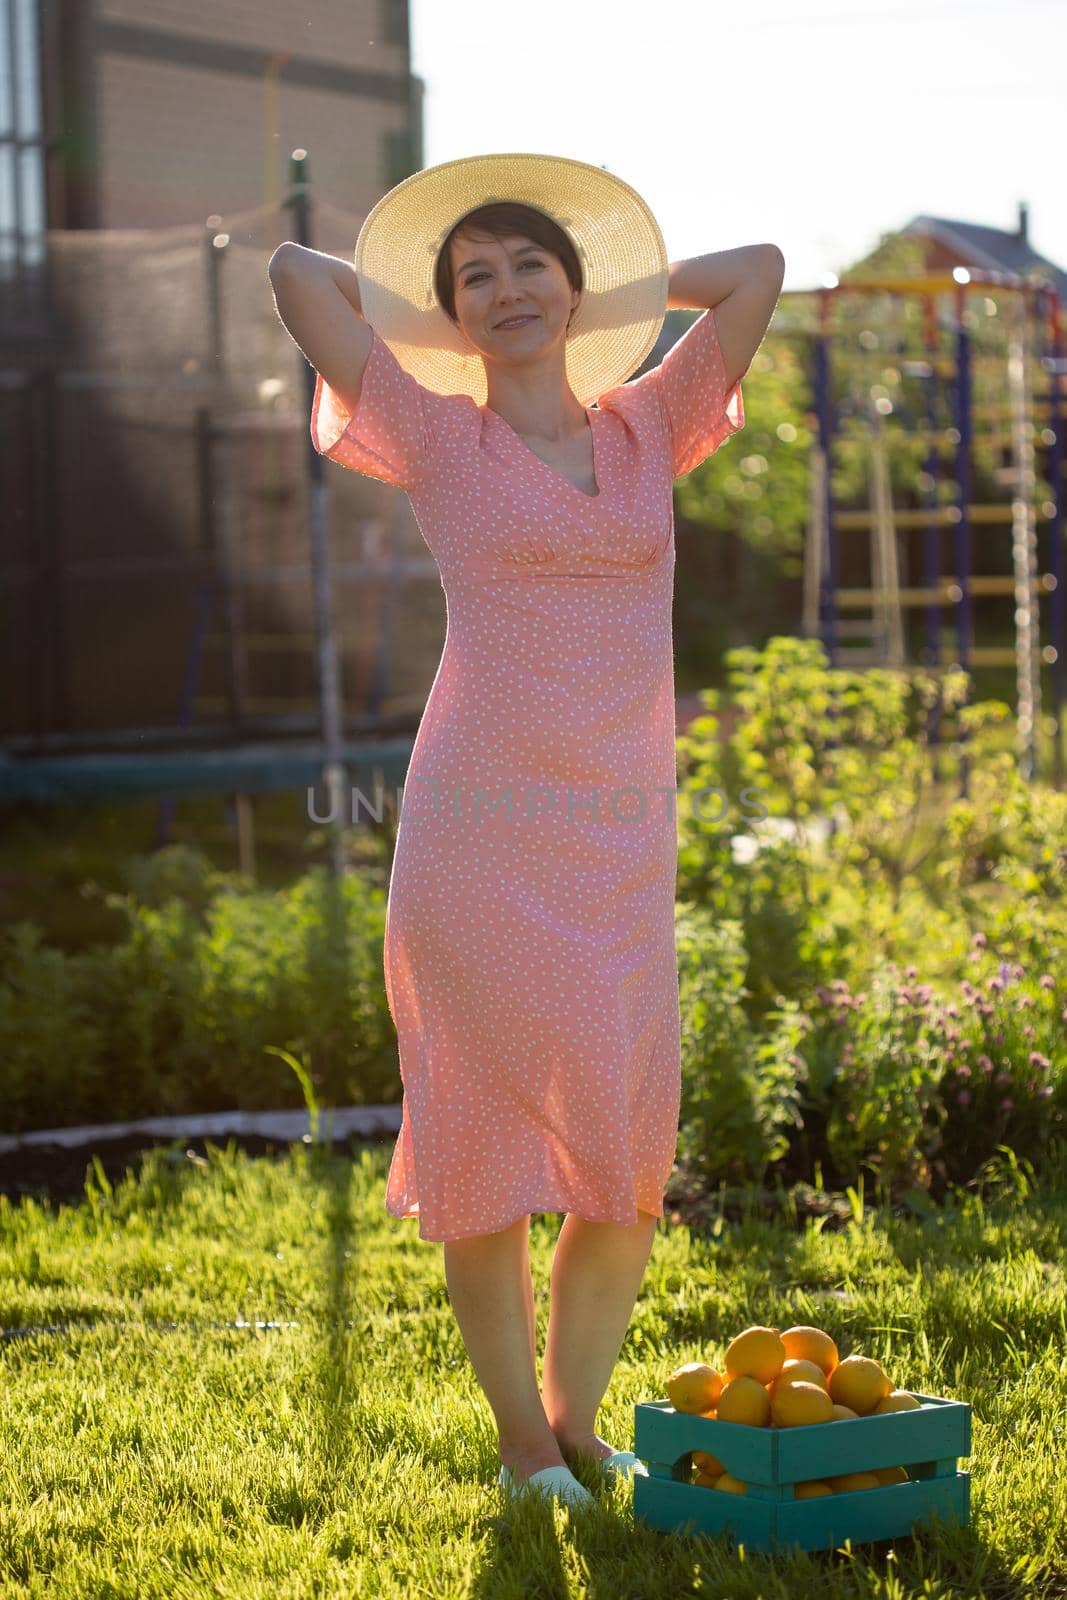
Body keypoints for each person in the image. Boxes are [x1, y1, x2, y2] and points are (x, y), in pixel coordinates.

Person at [268, 152, 777, 1512]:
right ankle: (518, 1442)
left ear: (576, 282)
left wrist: (614, 283)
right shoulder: (439, 435)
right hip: (477, 839)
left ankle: (577, 1422)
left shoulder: (645, 428)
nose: (506, 290)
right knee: (486, 1154)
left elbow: (755, 274)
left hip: (616, 851)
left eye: (529, 265)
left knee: (625, 1169)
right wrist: (440, 322)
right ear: (444, 310)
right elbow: (296, 276)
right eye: (475, 274)